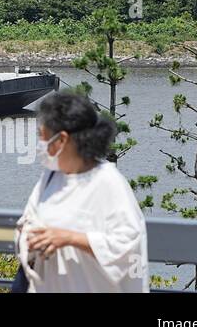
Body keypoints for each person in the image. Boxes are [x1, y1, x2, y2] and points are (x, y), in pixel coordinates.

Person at [15, 90, 148, 293]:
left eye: (42, 137)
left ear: (61, 140)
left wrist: (70, 238)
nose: (40, 145)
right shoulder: (50, 177)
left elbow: (128, 245)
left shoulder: (108, 181)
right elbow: (28, 221)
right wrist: (30, 238)